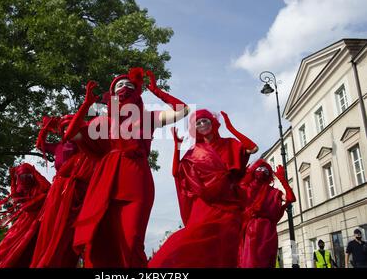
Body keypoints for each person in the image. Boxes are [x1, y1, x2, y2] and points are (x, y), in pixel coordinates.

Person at [64, 67, 189, 268]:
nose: (125, 87)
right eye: (119, 85)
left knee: (131, 241)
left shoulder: (148, 118)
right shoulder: (103, 122)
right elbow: (71, 135)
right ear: (112, 95)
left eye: (130, 85)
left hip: (137, 180)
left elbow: (183, 110)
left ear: (138, 92)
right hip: (107, 182)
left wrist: (156, 90)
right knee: (103, 241)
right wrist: (86, 105)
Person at [149, 110, 247, 268]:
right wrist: (177, 147)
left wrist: (231, 128)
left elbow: (252, 148)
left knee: (226, 249)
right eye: (198, 123)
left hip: (228, 204)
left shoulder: (230, 144)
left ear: (213, 122)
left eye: (205, 121)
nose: (202, 125)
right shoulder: (194, 151)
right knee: (190, 241)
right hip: (202, 204)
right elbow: (176, 173)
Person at [30, 115, 98, 268]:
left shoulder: (83, 145)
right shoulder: (58, 146)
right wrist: (45, 128)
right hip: (58, 190)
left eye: (71, 126)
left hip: (77, 190)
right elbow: (40, 145)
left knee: (68, 228)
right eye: (65, 127)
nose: (69, 130)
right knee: (50, 225)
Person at [238, 160, 296, 268]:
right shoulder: (247, 188)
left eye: (265, 170)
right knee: (251, 261)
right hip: (253, 229)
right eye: (259, 169)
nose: (262, 171)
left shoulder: (274, 192)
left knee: (267, 260)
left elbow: (291, 198)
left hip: (268, 231)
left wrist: (283, 180)